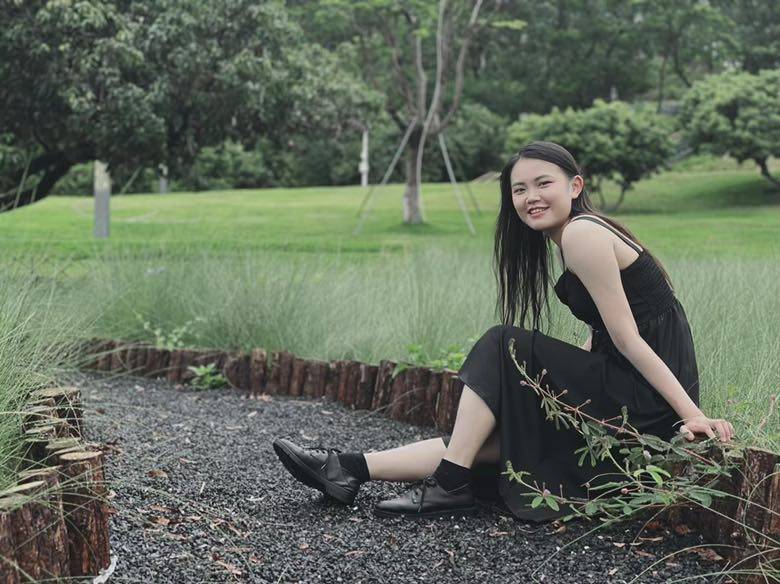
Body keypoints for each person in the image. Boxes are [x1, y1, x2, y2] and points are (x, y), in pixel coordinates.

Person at [272, 140, 735, 522]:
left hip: (643, 402)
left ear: (575, 186)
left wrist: (692, 416)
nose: (531, 196)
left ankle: (449, 484)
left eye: (543, 183)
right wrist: (556, 385)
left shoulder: (583, 235)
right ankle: (346, 468)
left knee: (502, 343)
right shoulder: (577, 236)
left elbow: (629, 338)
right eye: (519, 189)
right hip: (628, 390)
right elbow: (602, 334)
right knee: (491, 438)